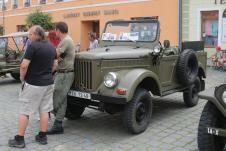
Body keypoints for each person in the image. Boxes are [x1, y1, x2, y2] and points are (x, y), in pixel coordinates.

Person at [8, 25, 57, 148]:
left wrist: (22, 77)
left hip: (34, 83)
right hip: (48, 83)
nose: (28, 36)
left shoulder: (32, 46)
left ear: (36, 35)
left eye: (30, 34)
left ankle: (19, 139)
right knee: (45, 110)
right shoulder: (51, 47)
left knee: (25, 110)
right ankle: (42, 136)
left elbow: (24, 65)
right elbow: (55, 65)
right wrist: (47, 74)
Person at [47, 22, 75, 134]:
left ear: (58, 30)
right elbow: (59, 59)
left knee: (57, 99)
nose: (55, 33)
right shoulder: (65, 41)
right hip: (62, 73)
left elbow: (55, 55)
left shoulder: (66, 41)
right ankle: (58, 124)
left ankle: (58, 123)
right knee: (61, 99)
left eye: (55, 30)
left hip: (65, 74)